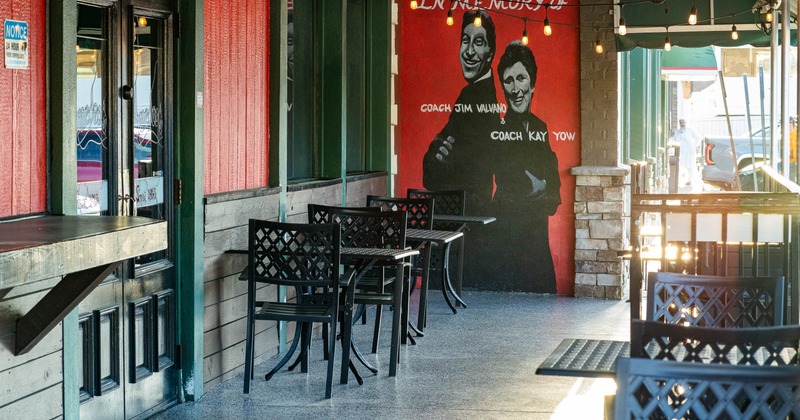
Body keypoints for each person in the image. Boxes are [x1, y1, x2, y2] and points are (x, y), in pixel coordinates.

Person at [487, 40, 561, 293]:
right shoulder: (498, 130)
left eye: (521, 78)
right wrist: (538, 185)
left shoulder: (540, 127)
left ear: (532, 83)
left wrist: (546, 185)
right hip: (508, 231)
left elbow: (553, 173)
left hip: (537, 234)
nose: (516, 88)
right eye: (509, 81)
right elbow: (510, 175)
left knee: (542, 293)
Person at [422, 10, 499, 214]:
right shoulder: (472, 93)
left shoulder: (477, 95)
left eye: (479, 42)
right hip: (465, 207)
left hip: (467, 210)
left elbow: (460, 166)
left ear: (490, 53)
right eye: (466, 40)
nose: (469, 51)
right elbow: (438, 157)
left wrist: (439, 159)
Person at [673, 118, 701, 187]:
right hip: (681, 151)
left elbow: (698, 138)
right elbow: (675, 139)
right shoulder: (678, 131)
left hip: (689, 151)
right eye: (680, 122)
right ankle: (678, 181)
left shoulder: (690, 130)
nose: (682, 124)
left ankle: (690, 180)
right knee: (680, 165)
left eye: (683, 122)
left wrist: (694, 146)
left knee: (690, 166)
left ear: (686, 122)